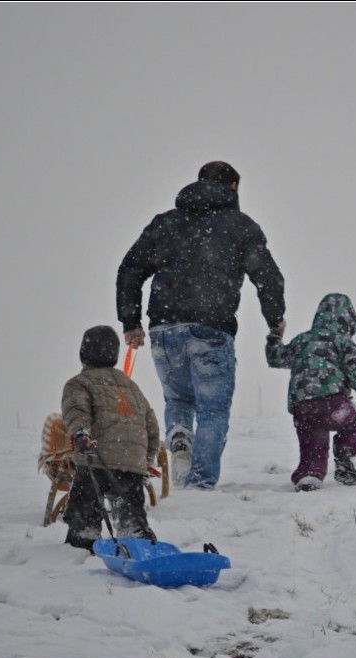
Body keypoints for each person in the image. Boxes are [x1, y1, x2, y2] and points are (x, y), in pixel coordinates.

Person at [116, 161, 286, 490]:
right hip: (211, 329)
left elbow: (130, 268)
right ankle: (200, 483)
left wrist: (131, 322)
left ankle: (179, 439)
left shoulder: (165, 224)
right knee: (212, 409)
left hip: (164, 329)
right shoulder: (241, 226)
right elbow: (267, 277)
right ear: (234, 186)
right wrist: (275, 320)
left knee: (178, 400)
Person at [265, 293, 356, 492]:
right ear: (348, 322)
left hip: (303, 407)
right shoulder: (343, 343)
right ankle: (344, 461)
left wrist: (275, 337)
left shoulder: (302, 340)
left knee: (313, 444)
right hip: (333, 404)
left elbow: (276, 358)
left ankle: (309, 476)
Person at [61, 325, 161, 551]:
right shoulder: (131, 386)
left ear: (82, 353)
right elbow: (151, 424)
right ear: (115, 355)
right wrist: (148, 457)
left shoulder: (79, 383)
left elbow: (77, 411)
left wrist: (80, 435)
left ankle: (82, 539)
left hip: (96, 459)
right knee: (131, 511)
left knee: (85, 506)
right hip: (131, 464)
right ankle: (136, 541)